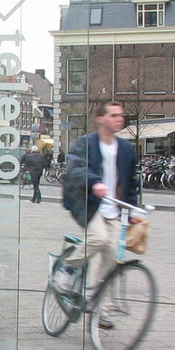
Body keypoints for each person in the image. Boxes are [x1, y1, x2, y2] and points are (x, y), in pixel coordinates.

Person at [60, 101, 142, 328]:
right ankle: (68, 267)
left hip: (113, 207)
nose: (119, 119)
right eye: (114, 115)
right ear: (101, 119)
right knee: (99, 239)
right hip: (88, 203)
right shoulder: (86, 143)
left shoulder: (125, 148)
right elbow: (76, 167)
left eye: (121, 115)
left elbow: (130, 183)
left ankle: (100, 307)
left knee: (113, 253)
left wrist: (132, 209)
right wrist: (95, 182)